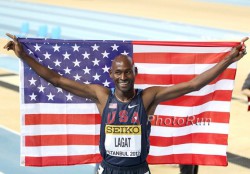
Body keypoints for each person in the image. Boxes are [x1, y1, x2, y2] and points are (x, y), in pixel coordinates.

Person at [4, 33, 248, 174]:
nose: (123, 77)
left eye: (127, 72)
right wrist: (24, 55)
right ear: (111, 74)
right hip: (107, 170)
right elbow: (56, 79)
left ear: (135, 72)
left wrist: (227, 60)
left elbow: (194, 84)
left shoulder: (148, 97)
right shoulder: (101, 95)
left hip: (138, 171)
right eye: (118, 73)